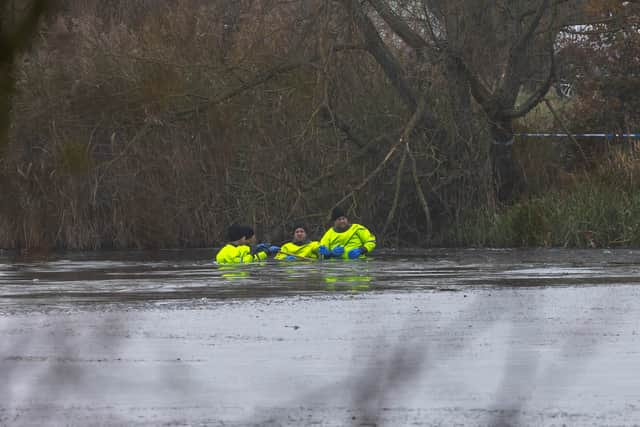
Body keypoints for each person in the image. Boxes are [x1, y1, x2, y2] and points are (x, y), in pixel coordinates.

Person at [215, 224, 280, 264]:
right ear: (243, 238)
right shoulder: (236, 251)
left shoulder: (223, 251)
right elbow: (243, 261)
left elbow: (250, 258)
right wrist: (266, 252)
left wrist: (263, 251)